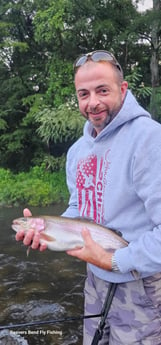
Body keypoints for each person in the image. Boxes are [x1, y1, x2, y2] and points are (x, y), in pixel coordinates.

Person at [16, 50, 161, 345]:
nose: (92, 102)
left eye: (102, 90)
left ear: (123, 90)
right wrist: (47, 230)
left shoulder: (150, 139)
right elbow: (78, 207)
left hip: (140, 282)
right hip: (95, 278)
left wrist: (116, 260)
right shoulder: (77, 151)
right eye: (83, 94)